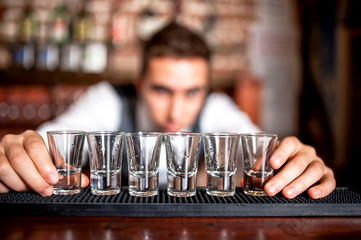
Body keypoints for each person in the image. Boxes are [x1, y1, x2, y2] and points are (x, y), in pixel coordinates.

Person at [0, 21, 335, 199]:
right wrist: (19, 155)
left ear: (205, 89)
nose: (176, 112)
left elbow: (266, 152)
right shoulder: (108, 100)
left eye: (192, 92)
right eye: (161, 90)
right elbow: (45, 146)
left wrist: (295, 163)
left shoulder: (216, 108)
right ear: (139, 82)